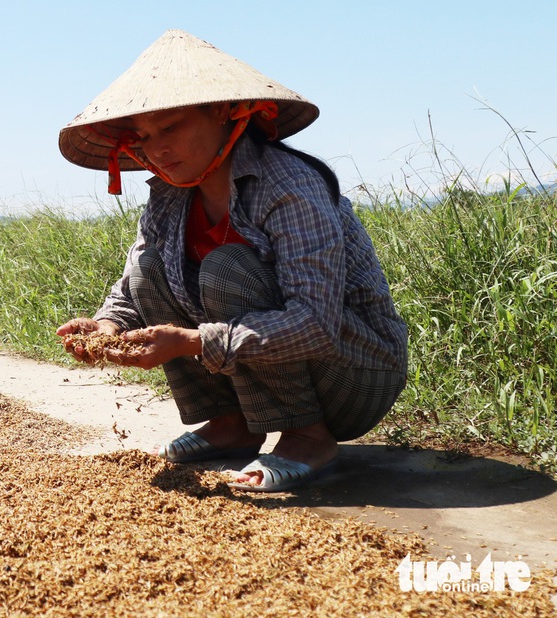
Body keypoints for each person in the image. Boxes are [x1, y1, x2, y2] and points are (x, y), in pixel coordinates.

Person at [55, 30, 408, 492]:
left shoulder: (289, 186)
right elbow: (132, 282)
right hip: (286, 362)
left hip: (352, 373)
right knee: (149, 270)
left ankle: (307, 437)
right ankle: (232, 424)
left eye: (170, 127)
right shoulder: (169, 194)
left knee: (227, 270)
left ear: (223, 113)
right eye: (143, 137)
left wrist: (191, 341)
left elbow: (315, 323)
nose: (156, 149)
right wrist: (107, 326)